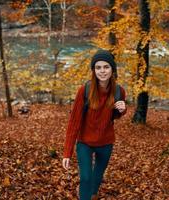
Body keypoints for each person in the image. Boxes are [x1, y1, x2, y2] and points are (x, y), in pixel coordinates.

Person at [62, 49, 127, 200]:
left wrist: (123, 110)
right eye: (98, 67)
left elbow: (115, 115)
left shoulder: (119, 91)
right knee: (85, 177)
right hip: (85, 142)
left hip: (106, 143)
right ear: (93, 70)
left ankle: (91, 194)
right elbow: (74, 122)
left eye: (106, 67)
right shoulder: (84, 91)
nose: (102, 71)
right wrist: (67, 152)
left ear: (112, 69)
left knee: (97, 178)